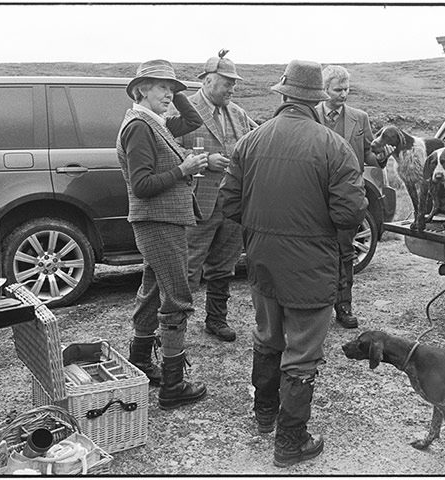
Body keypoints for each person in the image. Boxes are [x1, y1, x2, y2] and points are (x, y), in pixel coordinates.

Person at [220, 60, 368, 467]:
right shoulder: (333, 147)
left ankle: (264, 412)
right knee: (302, 353)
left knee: (267, 336)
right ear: (317, 100)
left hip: (262, 262)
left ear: (283, 95)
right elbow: (349, 216)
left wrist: (262, 229)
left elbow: (228, 203)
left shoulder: (249, 142)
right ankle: (290, 441)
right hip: (312, 268)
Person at [117, 59, 209, 410]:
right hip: (157, 221)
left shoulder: (154, 122)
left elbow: (193, 120)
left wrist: (177, 89)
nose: (169, 94)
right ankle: (173, 385)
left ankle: (140, 361)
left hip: (160, 222)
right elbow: (141, 186)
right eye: (161, 87)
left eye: (171, 89)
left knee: (154, 290)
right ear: (141, 89)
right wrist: (183, 169)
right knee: (177, 298)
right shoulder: (141, 127)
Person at [174, 50, 255, 342]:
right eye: (226, 83)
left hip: (233, 203)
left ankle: (216, 320)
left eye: (234, 83)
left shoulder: (238, 113)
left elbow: (255, 144)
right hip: (197, 203)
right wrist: (205, 160)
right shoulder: (183, 110)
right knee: (189, 266)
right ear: (208, 81)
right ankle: (175, 326)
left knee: (224, 264)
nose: (232, 89)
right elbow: (167, 151)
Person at [317, 65, 381, 329]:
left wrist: (382, 156)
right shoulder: (310, 115)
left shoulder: (360, 117)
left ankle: (344, 306)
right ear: (324, 89)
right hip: (315, 194)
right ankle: (316, 308)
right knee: (316, 253)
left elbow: (368, 154)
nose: (344, 94)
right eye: (338, 90)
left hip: (347, 195)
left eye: (347, 90)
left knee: (346, 253)